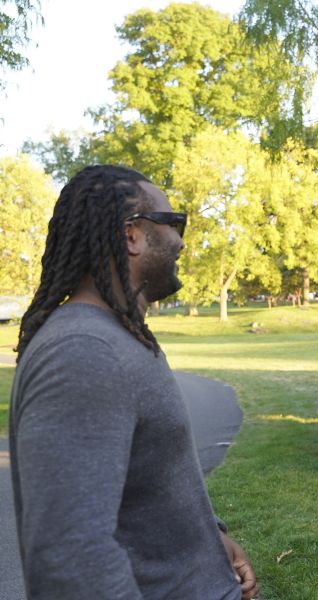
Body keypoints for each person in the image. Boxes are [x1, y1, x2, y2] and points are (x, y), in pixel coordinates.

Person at [9, 165, 259, 599]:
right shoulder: (85, 351)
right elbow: (71, 560)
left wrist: (207, 537)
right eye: (173, 223)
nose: (181, 241)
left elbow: (144, 484)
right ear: (132, 235)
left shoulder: (121, 337)